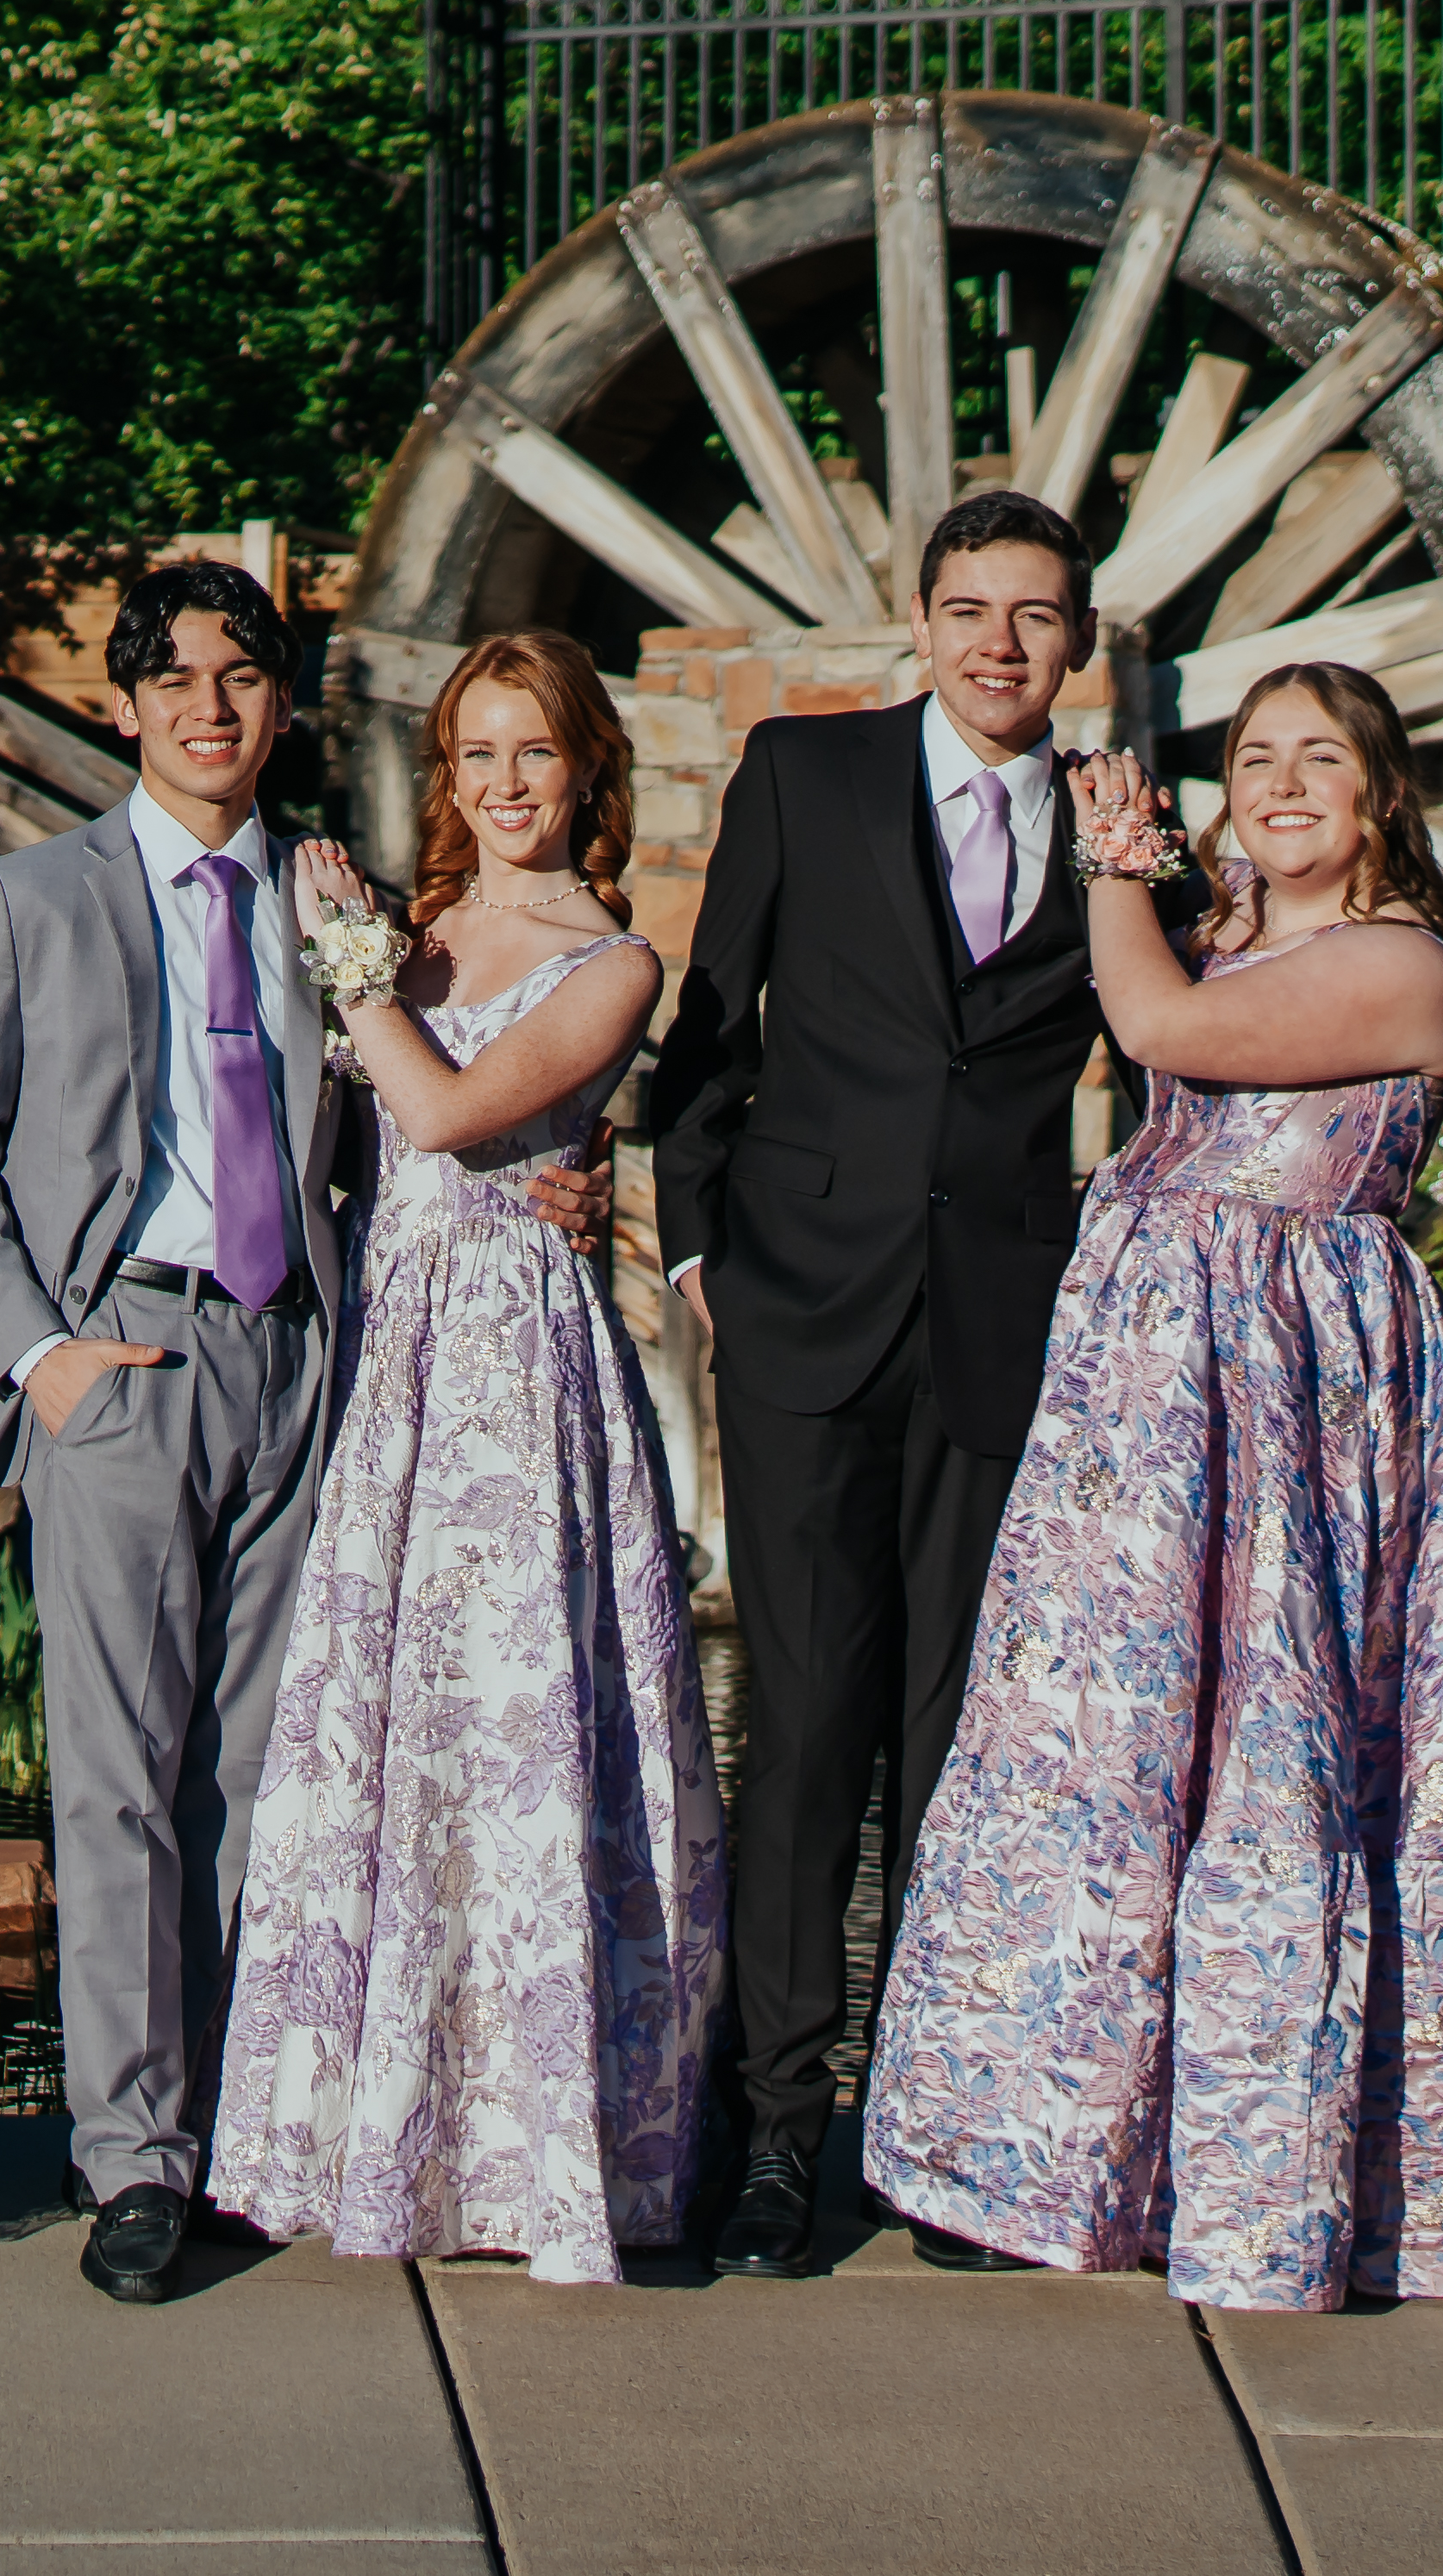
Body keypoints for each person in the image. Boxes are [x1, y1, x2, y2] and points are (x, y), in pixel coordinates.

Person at [861, 660, 1443, 2308]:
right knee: (1102, 1755)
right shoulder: (1228, 923)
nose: (1284, 782)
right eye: (1258, 757)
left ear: (1383, 793)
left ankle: (1271, 2177)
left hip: (1292, 1388)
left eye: (1323, 757)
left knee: (1274, 1754)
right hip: (1150, 1395)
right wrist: (1143, 874)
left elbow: (1161, 1030)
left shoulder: (1402, 967)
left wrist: (1117, 872)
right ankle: (1046, 2162)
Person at [641, 487, 1115, 2278]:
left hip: (1002, 1327)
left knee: (960, 1745)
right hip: (802, 1315)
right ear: (920, 623)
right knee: (808, 1728)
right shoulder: (804, 776)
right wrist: (701, 1257)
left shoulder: (1116, 826)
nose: (1003, 642)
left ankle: (934, 2132)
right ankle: (776, 2129)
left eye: (1039, 615)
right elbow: (710, 1035)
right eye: (972, 608)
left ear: (1079, 642)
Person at [208, 633, 720, 2285]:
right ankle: (369, 2125)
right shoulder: (418, 933)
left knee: (514, 1728)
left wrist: (355, 974)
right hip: (391, 1352)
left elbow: (442, 1116)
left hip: (511, 1364)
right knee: (384, 1724)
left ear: (587, 773)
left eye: (534, 755)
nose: (502, 786)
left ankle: (530, 2146)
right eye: (476, 754)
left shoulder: (616, 960)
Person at [0, 557, 372, 2306]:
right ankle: (133, 2157)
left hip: (297, 1356)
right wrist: (46, 1359)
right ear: (123, 700)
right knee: (116, 1777)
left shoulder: (340, 898)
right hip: (125, 1358)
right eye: (174, 677)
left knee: (264, 1774)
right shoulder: (30, 897)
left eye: (241, 675)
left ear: (282, 697)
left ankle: (252, 2123)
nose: (209, 706)